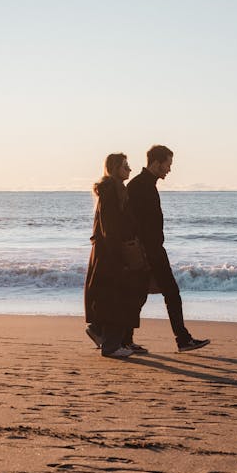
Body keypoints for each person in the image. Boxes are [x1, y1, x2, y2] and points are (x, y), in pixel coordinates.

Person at [127, 145, 210, 352]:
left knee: (140, 295)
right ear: (156, 163)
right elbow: (134, 222)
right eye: (167, 165)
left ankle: (125, 339)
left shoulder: (145, 184)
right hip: (150, 250)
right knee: (168, 293)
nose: (169, 170)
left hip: (152, 248)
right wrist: (143, 251)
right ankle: (182, 339)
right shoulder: (139, 186)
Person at [84, 153, 148, 359]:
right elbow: (109, 228)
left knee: (111, 296)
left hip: (109, 253)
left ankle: (99, 331)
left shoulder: (114, 190)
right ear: (114, 168)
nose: (129, 169)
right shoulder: (112, 191)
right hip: (112, 254)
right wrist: (119, 257)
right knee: (118, 298)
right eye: (125, 166)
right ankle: (111, 345)